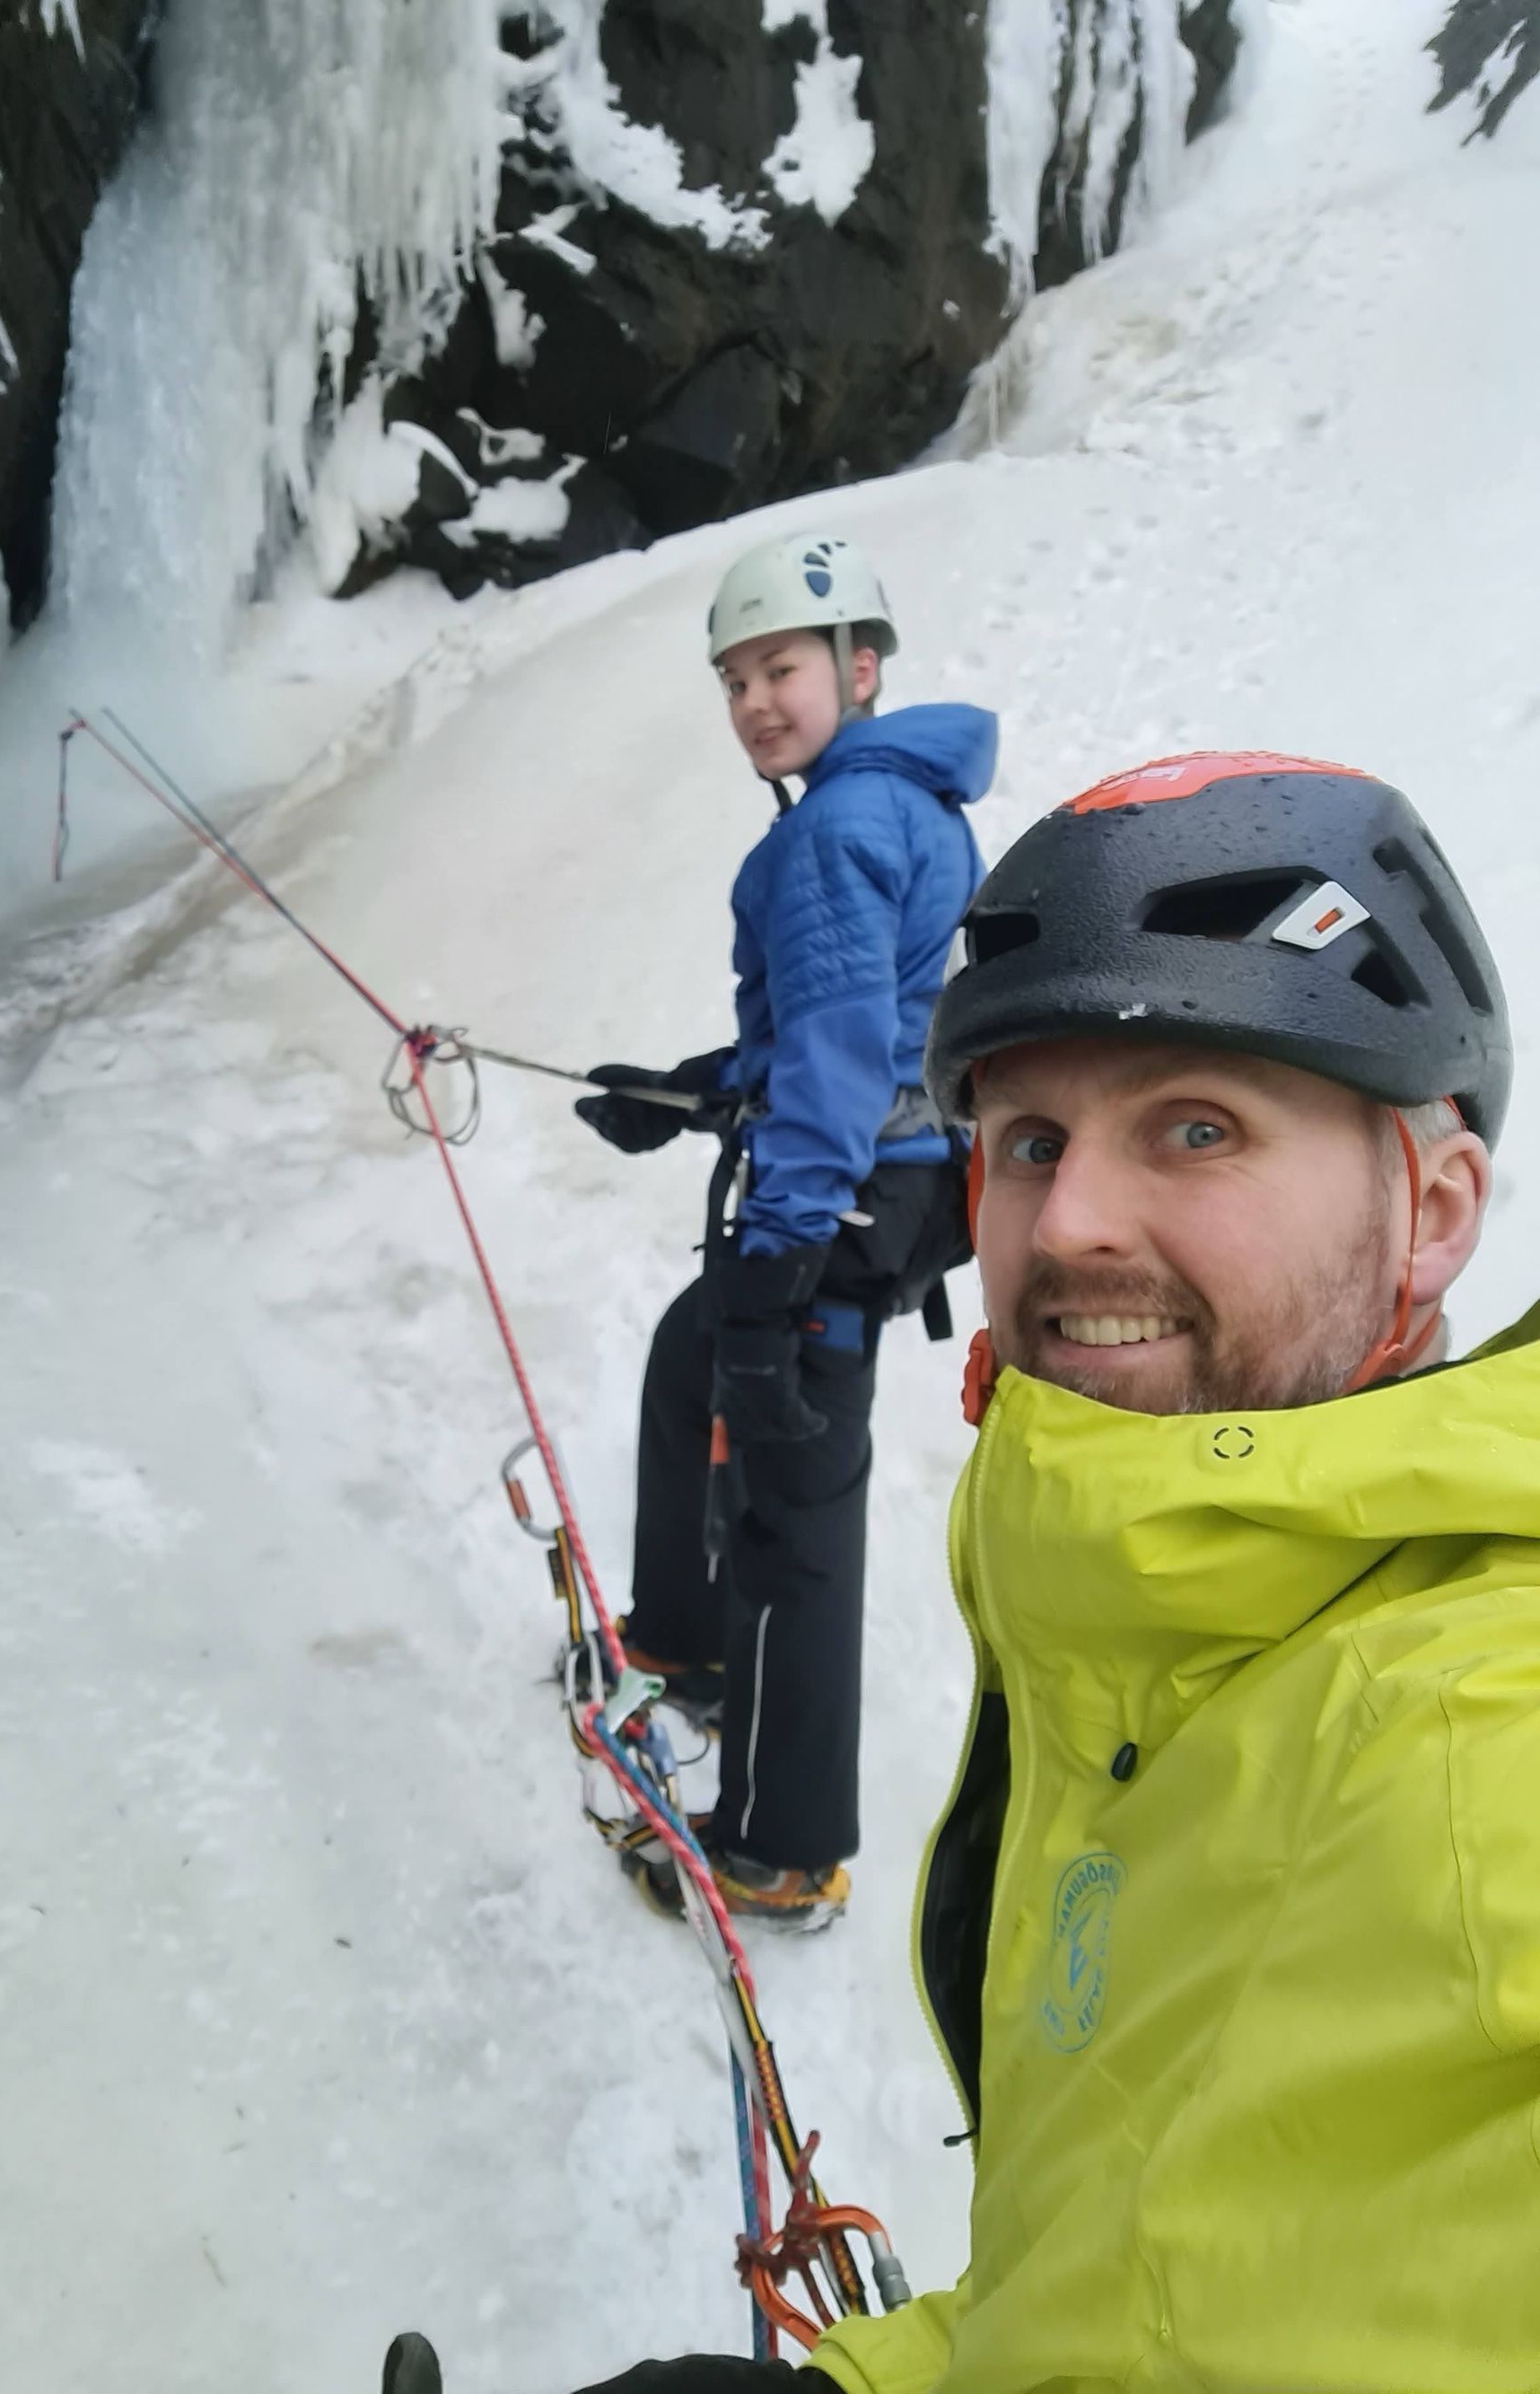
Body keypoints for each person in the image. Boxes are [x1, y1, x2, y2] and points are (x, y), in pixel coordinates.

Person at [484, 750, 1535, 2389]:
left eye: (1199, 1125)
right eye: (1032, 1139)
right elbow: (1123, 2293)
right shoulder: (1152, 1626)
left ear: (1437, 1207)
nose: (1068, 1227)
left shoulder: (1484, 1751)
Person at [574, 531, 998, 1927]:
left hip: (849, 1206)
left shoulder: (836, 828)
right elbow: (859, 1028)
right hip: (897, 1183)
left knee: (789, 1496)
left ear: (858, 668)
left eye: (784, 669)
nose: (757, 701)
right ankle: (688, 1647)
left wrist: (779, 1262)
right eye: (736, 679)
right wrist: (703, 1086)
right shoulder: (893, 804)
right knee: (697, 1354)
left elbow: (830, 1059)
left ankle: (778, 1839)